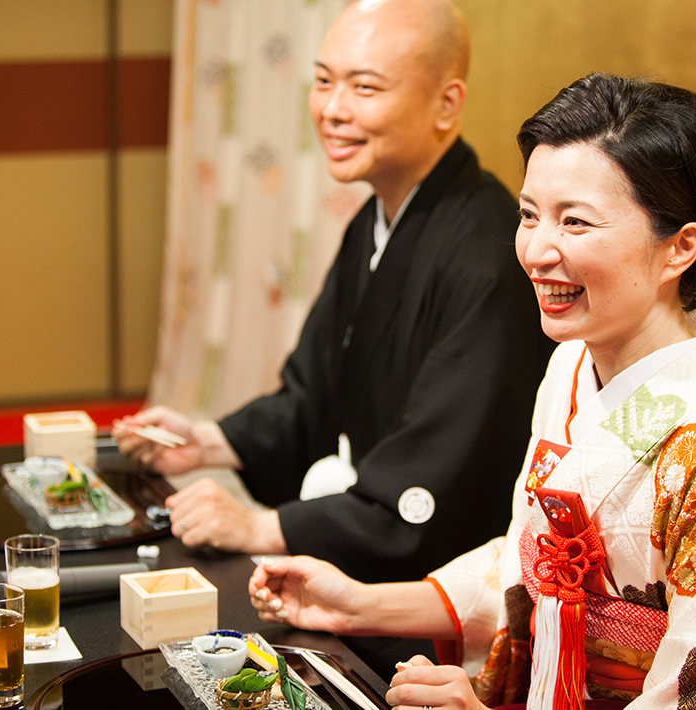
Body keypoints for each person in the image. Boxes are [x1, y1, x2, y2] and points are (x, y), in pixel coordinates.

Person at [248, 73, 696, 709]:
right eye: (529, 215)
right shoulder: (571, 368)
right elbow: (536, 567)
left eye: (576, 223)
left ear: (680, 249)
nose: (536, 251)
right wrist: (356, 603)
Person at [116, 0, 553, 670]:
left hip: (427, 606)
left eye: (365, 87)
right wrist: (206, 441)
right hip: (356, 567)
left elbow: (440, 476)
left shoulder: (485, 255)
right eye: (323, 81)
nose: (332, 109)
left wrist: (262, 527)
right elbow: (313, 392)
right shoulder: (375, 222)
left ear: (446, 104)